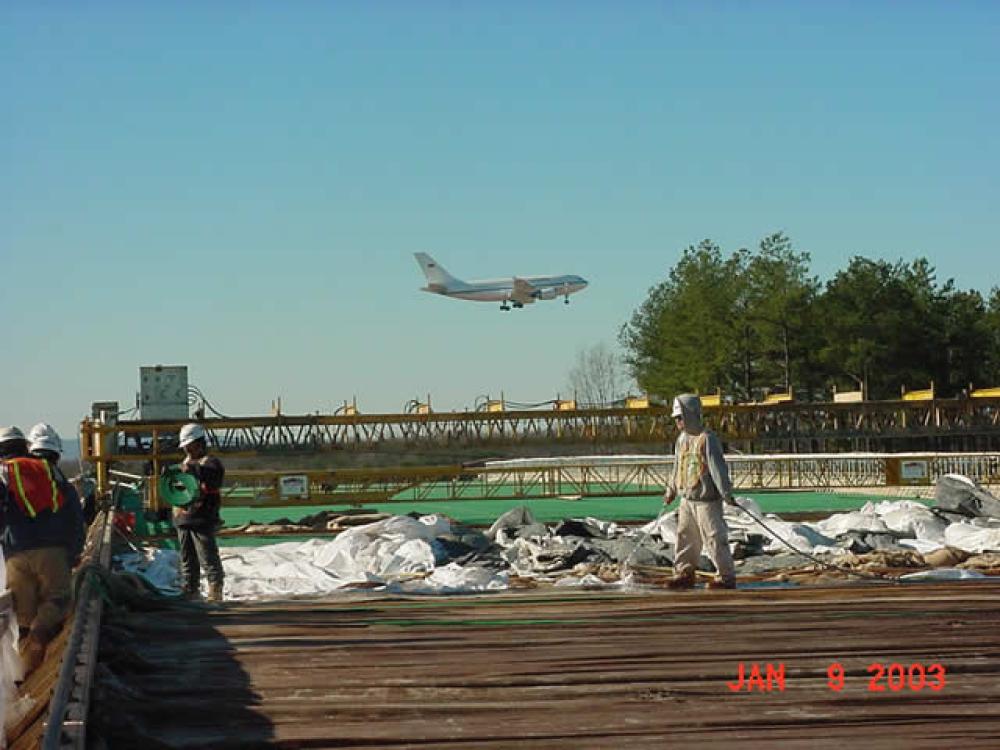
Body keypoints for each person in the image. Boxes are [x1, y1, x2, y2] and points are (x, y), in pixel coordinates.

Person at [0, 426, 85, 676]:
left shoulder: (4, 473)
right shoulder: (49, 473)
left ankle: (24, 676)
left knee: (23, 617)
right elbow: (74, 516)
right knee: (57, 601)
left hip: (15, 554)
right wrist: (73, 552)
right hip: (53, 551)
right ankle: (41, 637)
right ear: (24, 446)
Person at [662, 394, 737, 590]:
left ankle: (726, 576)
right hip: (687, 499)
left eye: (680, 417)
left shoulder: (708, 439)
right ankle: (684, 572)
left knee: (714, 538)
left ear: (691, 415)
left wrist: (726, 492)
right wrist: (671, 489)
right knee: (685, 537)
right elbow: (677, 467)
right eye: (676, 418)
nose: (677, 422)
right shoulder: (681, 440)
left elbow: (717, 468)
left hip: (707, 501)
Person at [173, 423, 225, 602]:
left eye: (190, 445)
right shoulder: (184, 464)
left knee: (208, 556)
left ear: (199, 442)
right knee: (187, 558)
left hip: (202, 518)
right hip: (183, 518)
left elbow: (212, 481)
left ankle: (215, 590)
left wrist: (195, 471)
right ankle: (190, 589)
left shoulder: (211, 464)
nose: (187, 449)